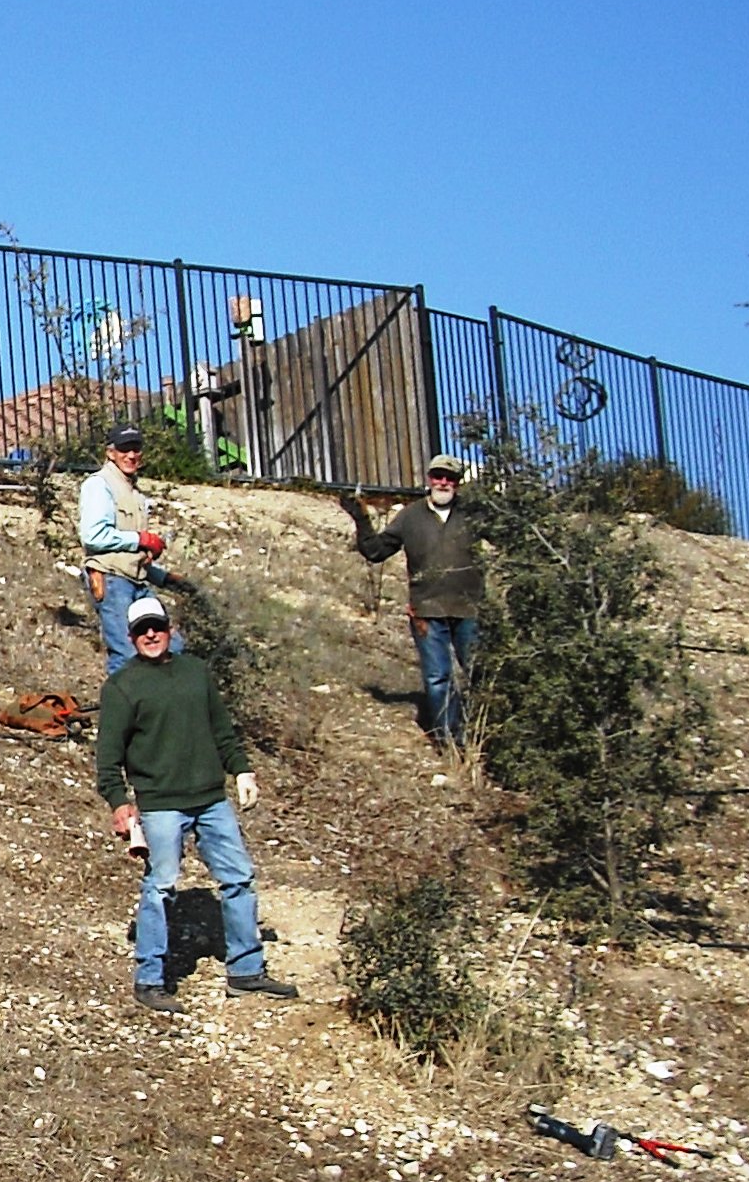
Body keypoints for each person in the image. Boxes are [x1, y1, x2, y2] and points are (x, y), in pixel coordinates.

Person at [96, 594, 299, 1014]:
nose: (150, 635)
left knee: (240, 878)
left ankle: (246, 970)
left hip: (211, 799)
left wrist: (241, 769)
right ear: (131, 638)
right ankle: (150, 978)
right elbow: (107, 759)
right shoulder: (122, 687)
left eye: (156, 626)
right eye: (141, 630)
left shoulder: (196, 672)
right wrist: (120, 803)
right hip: (160, 805)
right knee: (161, 888)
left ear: (170, 629)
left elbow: (222, 728)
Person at [341, 455, 485, 747]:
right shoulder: (410, 516)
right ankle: (450, 744)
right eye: (438, 476)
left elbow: (508, 537)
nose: (443, 483)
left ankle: (487, 736)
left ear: (458, 483)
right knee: (437, 678)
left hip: (471, 609)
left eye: (450, 478)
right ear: (429, 478)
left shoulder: (474, 513)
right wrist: (360, 517)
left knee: (482, 674)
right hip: (426, 611)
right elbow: (376, 550)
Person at [77, 424, 176, 675]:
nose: (131, 455)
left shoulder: (135, 491)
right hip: (111, 580)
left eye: (136, 449)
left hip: (137, 582)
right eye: (124, 449)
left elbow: (132, 553)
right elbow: (93, 536)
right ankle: (119, 711)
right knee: (127, 654)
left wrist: (163, 577)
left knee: (172, 647)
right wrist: (140, 539)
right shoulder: (99, 485)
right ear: (110, 453)